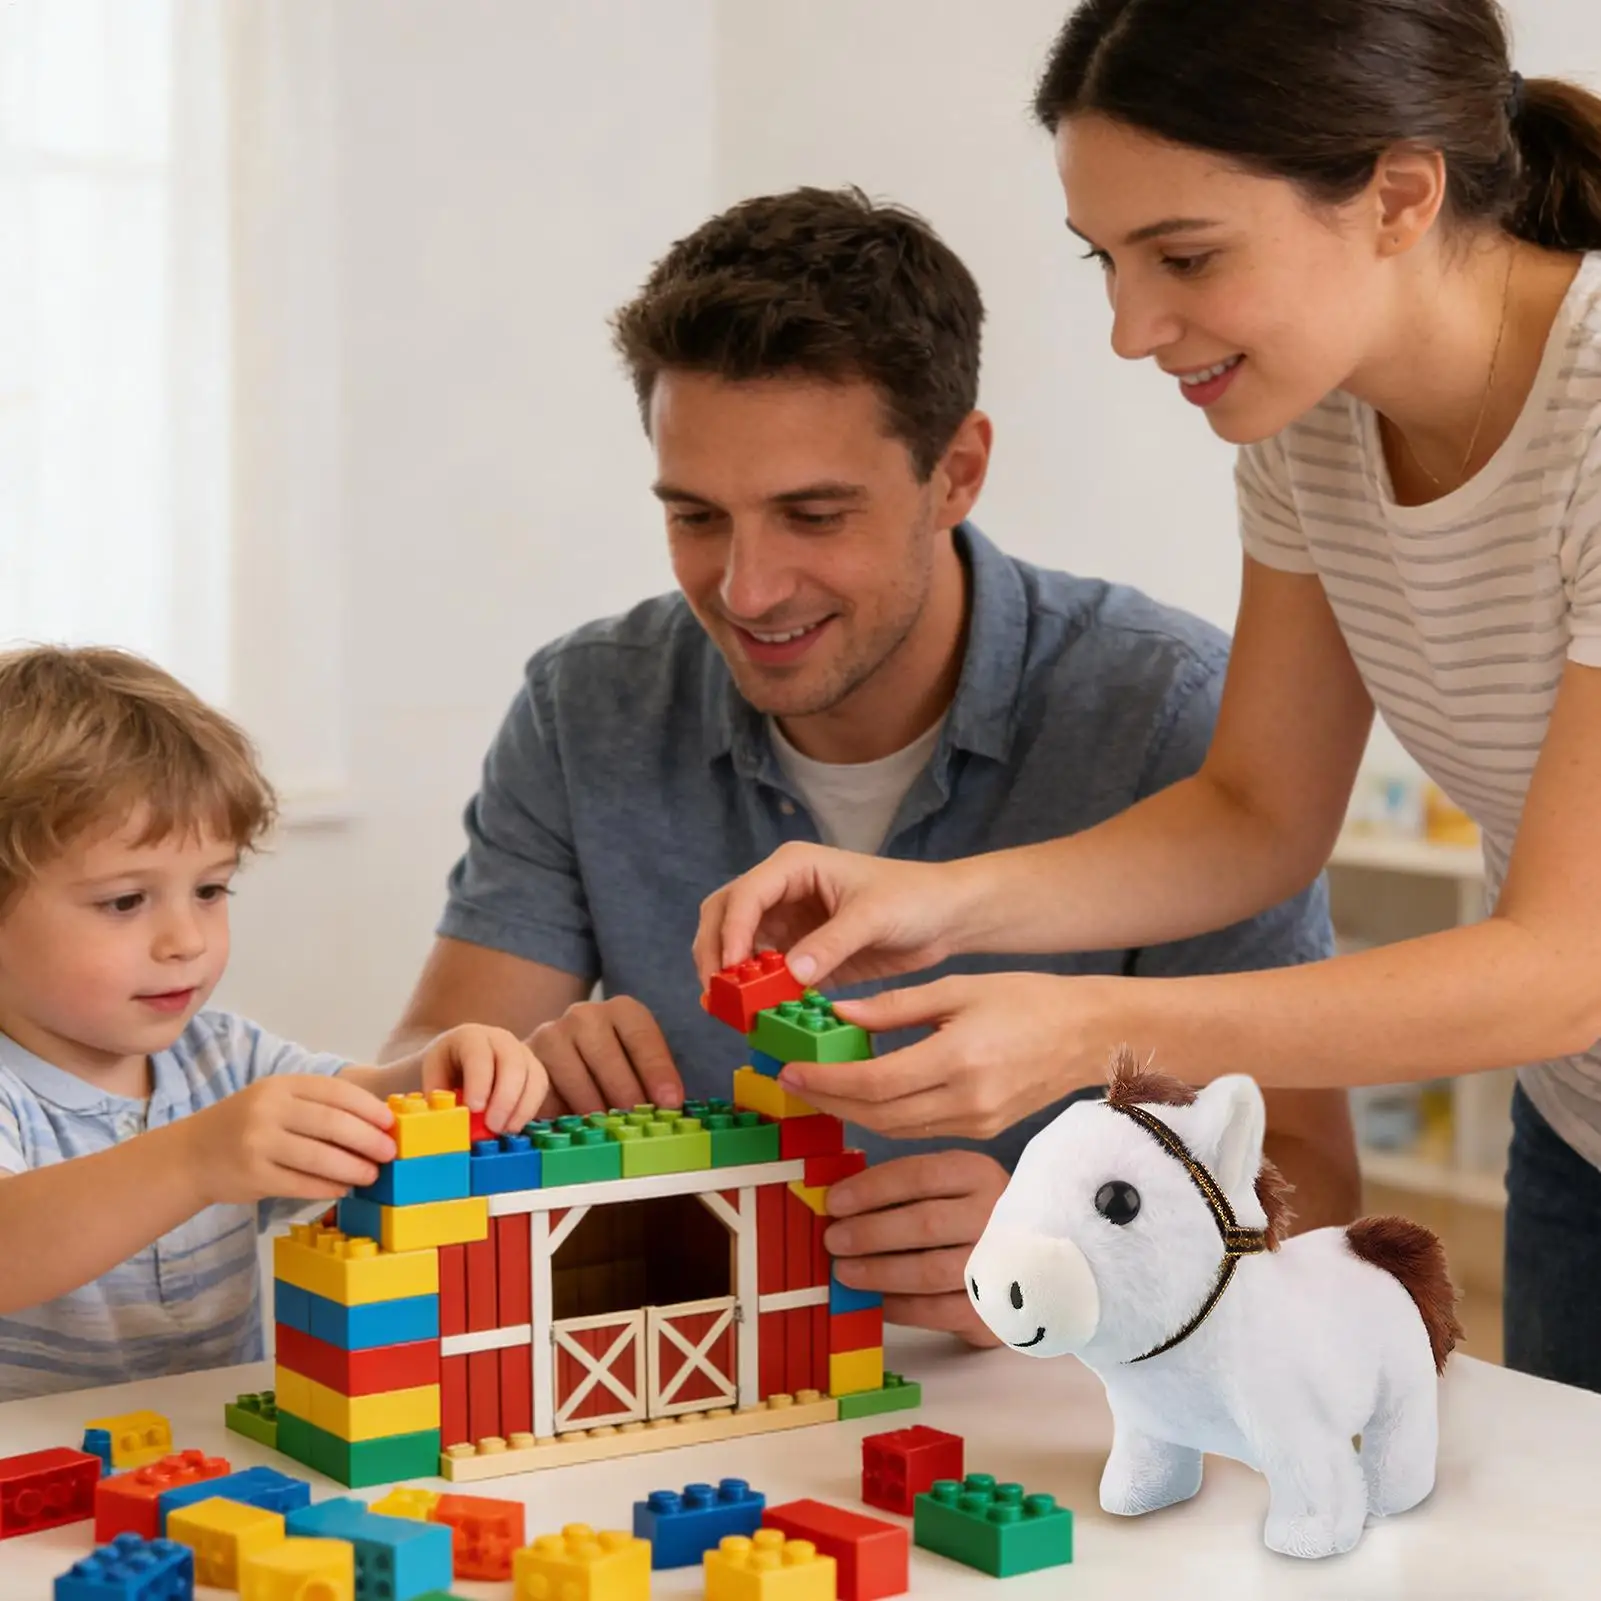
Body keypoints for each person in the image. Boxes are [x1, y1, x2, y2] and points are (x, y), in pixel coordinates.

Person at [694, 1, 1601, 1391]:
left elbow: (1563, 965)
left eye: (1184, 256)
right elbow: (1256, 813)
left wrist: (1091, 1031)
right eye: (1108, 261)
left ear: (1399, 196)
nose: (1131, 329)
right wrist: (938, 900)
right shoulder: (1314, 422)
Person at [384, 186, 1358, 1349]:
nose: (745, 590)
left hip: (1050, 1422)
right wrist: (496, 1085)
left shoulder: (1170, 713)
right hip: (706, 1382)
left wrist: (1082, 1260)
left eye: (812, 514)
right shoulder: (584, 703)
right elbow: (406, 1082)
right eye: (696, 516)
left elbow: (1312, 1181)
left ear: (956, 472)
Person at [0, 646, 547, 1400]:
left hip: (203, 1464)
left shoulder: (220, 1056)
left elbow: (361, 1106)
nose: (185, 940)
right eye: (125, 901)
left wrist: (437, 1071)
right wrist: (194, 1159)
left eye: (211, 889)